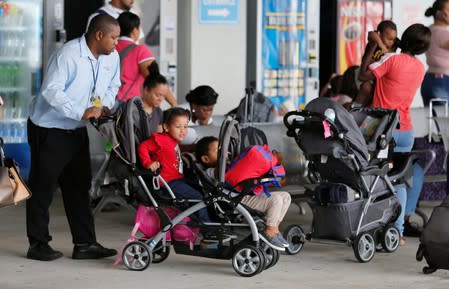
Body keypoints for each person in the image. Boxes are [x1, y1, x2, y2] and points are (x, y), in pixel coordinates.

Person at [26, 14, 121, 261]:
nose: (116, 43)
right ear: (99, 35)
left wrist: (103, 106)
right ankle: (37, 244)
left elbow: (114, 86)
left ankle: (85, 243)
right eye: (113, 38)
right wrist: (80, 111)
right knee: (43, 187)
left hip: (77, 129)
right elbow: (51, 90)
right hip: (50, 128)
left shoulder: (112, 58)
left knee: (79, 187)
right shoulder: (68, 55)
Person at [359, 23, 431, 246]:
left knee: (371, 178)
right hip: (405, 130)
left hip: (381, 129)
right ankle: (396, 232)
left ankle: (368, 226)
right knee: (398, 181)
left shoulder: (391, 60)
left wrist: (375, 44)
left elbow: (363, 75)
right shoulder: (420, 69)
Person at [195, 136, 291, 250]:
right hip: (235, 200)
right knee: (276, 200)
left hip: (245, 195)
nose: (225, 153)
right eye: (218, 151)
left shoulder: (230, 166)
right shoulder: (211, 171)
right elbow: (223, 173)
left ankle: (274, 229)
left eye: (224, 149)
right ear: (206, 159)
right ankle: (269, 231)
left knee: (285, 196)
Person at [137, 107, 211, 224]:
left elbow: (169, 155)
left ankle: (201, 219)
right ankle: (207, 226)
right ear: (166, 127)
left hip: (177, 179)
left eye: (185, 126)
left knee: (202, 188)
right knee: (197, 197)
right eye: (178, 127)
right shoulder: (161, 139)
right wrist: (148, 163)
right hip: (167, 183)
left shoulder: (172, 140)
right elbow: (143, 147)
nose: (183, 130)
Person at [116, 12, 177, 105]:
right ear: (135, 30)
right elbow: (155, 80)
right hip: (130, 106)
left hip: (108, 104)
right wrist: (174, 104)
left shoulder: (109, 47)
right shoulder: (140, 51)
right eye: (140, 27)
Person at [354, 20, 399, 107]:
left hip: (376, 75)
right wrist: (381, 45)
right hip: (364, 72)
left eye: (393, 39)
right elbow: (371, 34)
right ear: (379, 34)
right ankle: (356, 107)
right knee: (366, 87)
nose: (391, 42)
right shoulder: (374, 40)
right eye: (389, 39)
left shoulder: (394, 44)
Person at [421, 0, 449, 107]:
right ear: (440, 13)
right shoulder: (443, 34)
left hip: (430, 80)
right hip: (442, 82)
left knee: (433, 122)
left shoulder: (429, 30)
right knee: (443, 123)